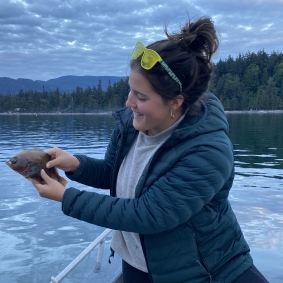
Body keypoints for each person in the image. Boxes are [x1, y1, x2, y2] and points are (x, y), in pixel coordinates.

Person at [33, 16, 269, 283]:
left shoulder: (208, 152)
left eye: (141, 97)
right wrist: (75, 164)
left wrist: (67, 198)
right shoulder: (132, 125)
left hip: (202, 273)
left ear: (176, 102)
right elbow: (113, 172)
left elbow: (148, 214)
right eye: (131, 90)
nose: (129, 102)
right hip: (139, 265)